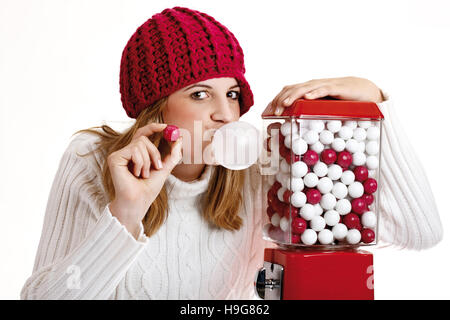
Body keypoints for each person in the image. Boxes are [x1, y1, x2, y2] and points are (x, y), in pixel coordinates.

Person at [21, 6, 442, 300]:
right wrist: (125, 214)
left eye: (234, 93)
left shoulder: (268, 166)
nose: (226, 114)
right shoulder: (92, 161)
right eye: (200, 93)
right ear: (157, 107)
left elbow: (420, 233)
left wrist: (377, 104)